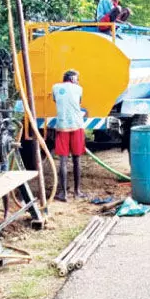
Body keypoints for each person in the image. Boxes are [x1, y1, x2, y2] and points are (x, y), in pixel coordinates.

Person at [52, 69, 87, 201]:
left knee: (63, 161)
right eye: (77, 79)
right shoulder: (79, 89)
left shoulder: (55, 87)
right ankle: (77, 192)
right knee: (77, 159)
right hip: (77, 126)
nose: (78, 81)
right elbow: (79, 102)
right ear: (72, 79)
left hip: (62, 126)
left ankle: (63, 193)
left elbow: (56, 100)